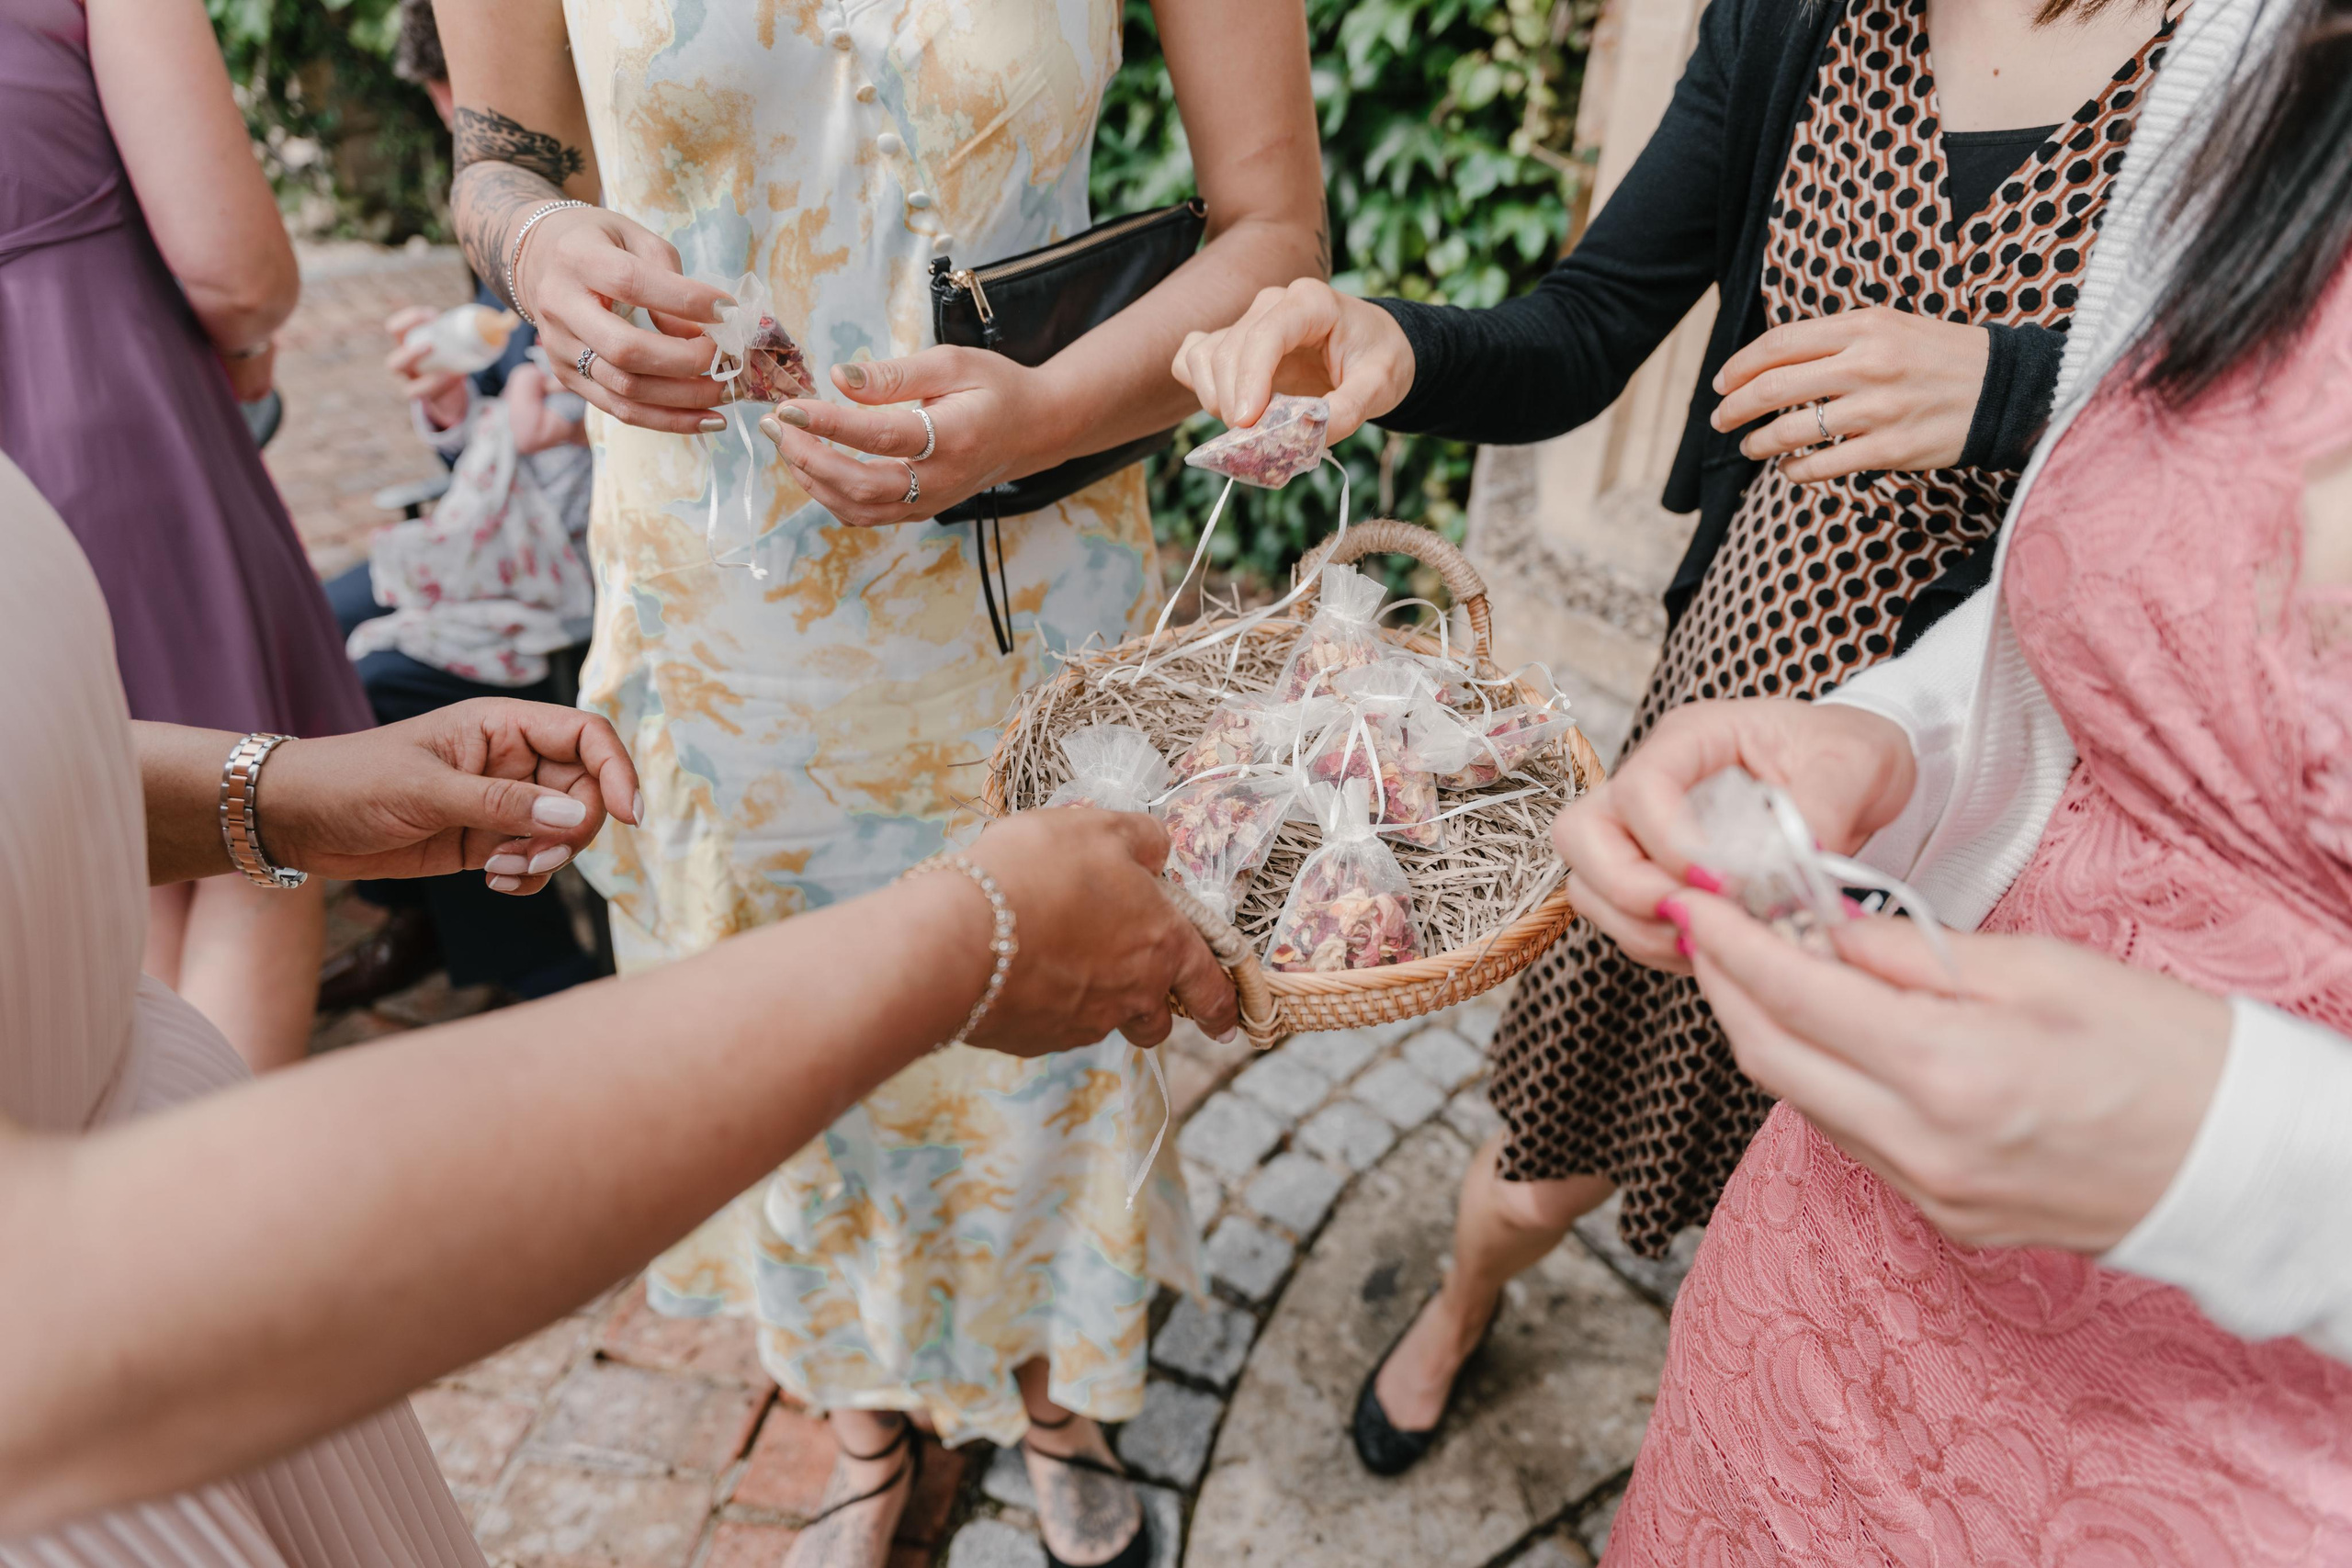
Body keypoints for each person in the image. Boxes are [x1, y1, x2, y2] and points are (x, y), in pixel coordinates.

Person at [1175, 0, 2179, 1473]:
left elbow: (2266, 443)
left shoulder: (2251, 64)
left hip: (2017, 790)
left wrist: (2015, 387)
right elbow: (1587, 325)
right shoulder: (1803, 18)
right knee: (1553, 1149)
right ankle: (1460, 1306)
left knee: (1875, 1227)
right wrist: (1391, 343)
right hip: (1736, 710)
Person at [433, 2, 1324, 1562]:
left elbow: (1274, 228)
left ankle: (1064, 1386)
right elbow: (496, 168)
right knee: (782, 1031)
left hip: (1032, 601)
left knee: (1061, 1027)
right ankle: (861, 1412)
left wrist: (1040, 412)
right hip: (726, 625)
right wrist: (532, 250)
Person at [0, 449, 1239, 1557]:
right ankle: (864, 1418)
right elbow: (41, 1308)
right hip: (112, 1414)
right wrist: (962, 935)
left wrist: (276, 793)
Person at [1547, 0, 2352, 1555]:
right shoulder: (2260, 50)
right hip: (1840, 1294)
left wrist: (2233, 1141)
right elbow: (2122, 603)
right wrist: (1901, 738)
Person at [0, 0, 374, 1073]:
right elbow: (235, 268)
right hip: (106, 426)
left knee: (114, 854)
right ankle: (211, 1224)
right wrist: (248, 342)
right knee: (257, 827)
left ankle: (125, 1208)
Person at [317, 0, 602, 1012]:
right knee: (300, 638)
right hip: (490, 524)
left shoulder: (599, 178)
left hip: (574, 558)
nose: (460, 138)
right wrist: (451, 405)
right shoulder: (512, 202)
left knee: (381, 679)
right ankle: (427, 914)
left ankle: (535, 963)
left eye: (454, 110)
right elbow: (491, 396)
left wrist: (577, 421)